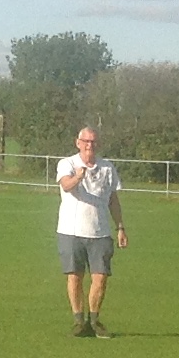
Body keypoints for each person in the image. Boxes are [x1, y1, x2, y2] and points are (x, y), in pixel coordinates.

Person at [56, 125, 127, 337]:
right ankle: (79, 321)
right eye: (86, 141)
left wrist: (120, 227)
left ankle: (94, 321)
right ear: (78, 143)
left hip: (100, 232)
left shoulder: (107, 168)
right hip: (71, 231)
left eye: (93, 142)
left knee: (100, 277)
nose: (89, 145)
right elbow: (66, 185)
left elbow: (113, 199)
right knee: (75, 277)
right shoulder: (67, 164)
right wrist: (78, 177)